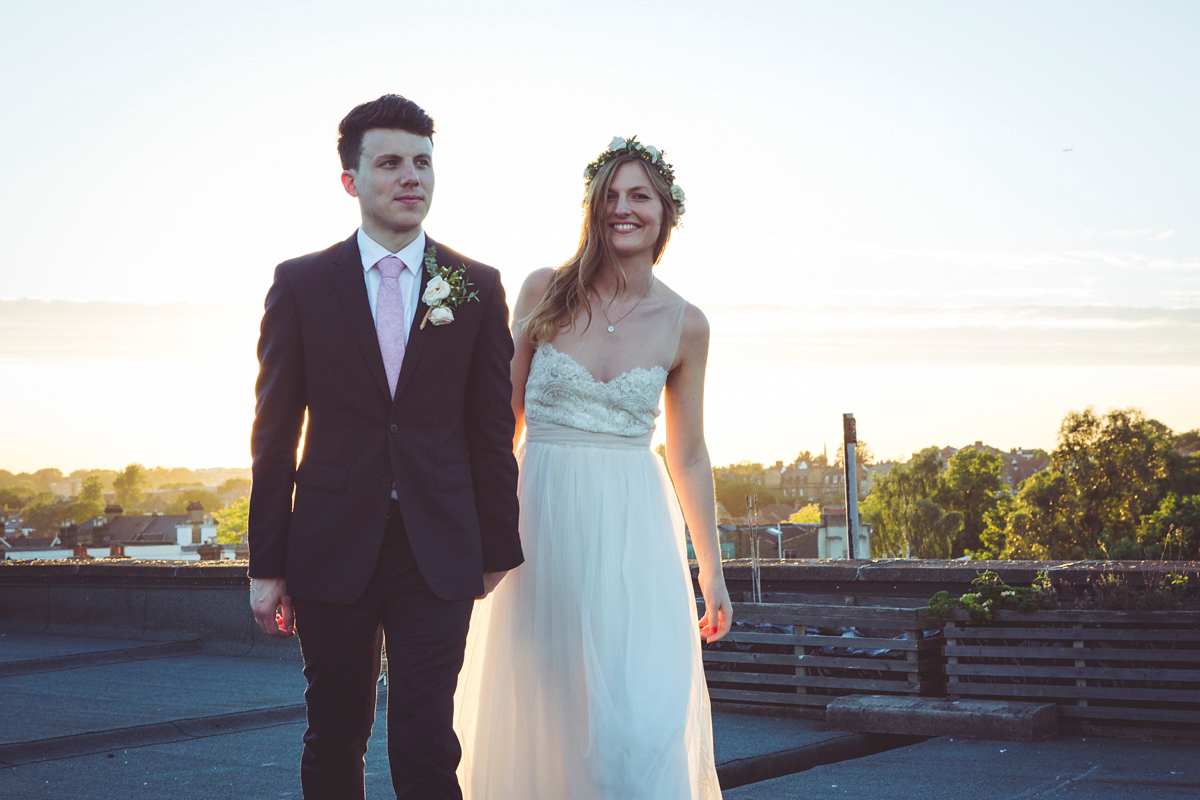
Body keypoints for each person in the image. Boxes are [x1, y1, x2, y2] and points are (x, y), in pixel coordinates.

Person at [247, 94, 522, 800]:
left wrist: (495, 547)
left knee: (427, 738)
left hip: (440, 549)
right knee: (334, 735)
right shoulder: (301, 285)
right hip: (331, 546)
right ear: (351, 181)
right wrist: (266, 562)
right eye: (391, 162)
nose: (412, 177)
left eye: (423, 162)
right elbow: (274, 434)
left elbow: (492, 431)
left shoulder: (478, 287)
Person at [454, 136, 732, 799]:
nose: (623, 209)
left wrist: (712, 571)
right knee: (544, 714)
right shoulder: (542, 290)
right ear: (592, 208)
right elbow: (503, 419)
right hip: (539, 518)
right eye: (610, 195)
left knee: (635, 726)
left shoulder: (685, 323)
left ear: (666, 213)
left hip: (634, 531)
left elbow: (688, 452)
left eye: (639, 196)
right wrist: (473, 526)